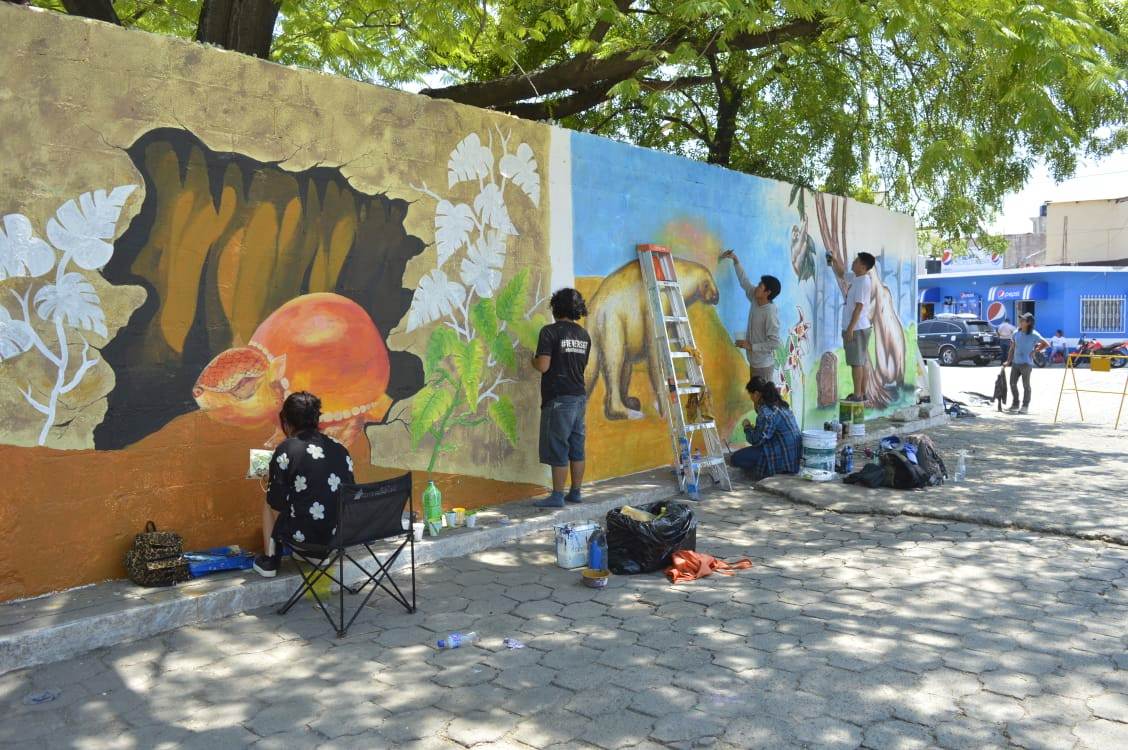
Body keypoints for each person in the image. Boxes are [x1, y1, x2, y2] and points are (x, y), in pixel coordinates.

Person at [254, 391, 355, 577]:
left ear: (286, 422)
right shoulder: (340, 448)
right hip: (336, 539)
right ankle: (314, 555)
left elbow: (276, 501)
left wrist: (273, 479)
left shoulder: (286, 449)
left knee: (268, 502)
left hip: (303, 539)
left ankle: (270, 560)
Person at [531, 288, 591, 508]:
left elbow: (543, 366)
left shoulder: (549, 332)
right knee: (576, 446)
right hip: (578, 396)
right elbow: (581, 365)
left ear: (556, 308)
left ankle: (557, 495)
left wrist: (532, 360)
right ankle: (575, 492)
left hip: (558, 398)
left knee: (558, 446)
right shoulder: (584, 335)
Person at [720, 249, 781, 383]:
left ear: (767, 292)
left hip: (764, 367)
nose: (757, 287)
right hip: (754, 363)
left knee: (763, 403)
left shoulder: (770, 312)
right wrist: (736, 261)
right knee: (757, 402)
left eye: (760, 286)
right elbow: (745, 282)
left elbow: (775, 343)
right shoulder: (755, 297)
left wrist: (751, 346)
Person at [728, 376, 802, 480]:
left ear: (757, 394)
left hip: (783, 459)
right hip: (794, 458)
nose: (751, 398)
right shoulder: (781, 405)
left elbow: (756, 441)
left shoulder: (766, 411)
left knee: (735, 458)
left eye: (751, 395)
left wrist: (747, 427)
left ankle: (766, 471)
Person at [841, 252, 875, 402]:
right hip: (861, 327)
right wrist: (833, 259)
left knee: (856, 362)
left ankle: (858, 395)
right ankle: (862, 392)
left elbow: (859, 307)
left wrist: (850, 328)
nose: (853, 262)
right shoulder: (857, 278)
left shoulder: (862, 282)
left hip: (857, 328)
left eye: (856, 261)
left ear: (863, 266)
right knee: (862, 361)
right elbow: (842, 274)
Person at [1004, 313, 1048, 414]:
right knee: (1012, 384)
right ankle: (1015, 404)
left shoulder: (1034, 334)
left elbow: (1046, 344)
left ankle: (1025, 406)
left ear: (1029, 323)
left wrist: (1035, 351)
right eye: (1020, 320)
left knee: (1026, 386)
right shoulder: (1016, 333)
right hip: (1015, 363)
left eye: (1023, 320)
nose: (1020, 322)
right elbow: (1012, 348)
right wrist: (1008, 361)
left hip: (1026, 364)